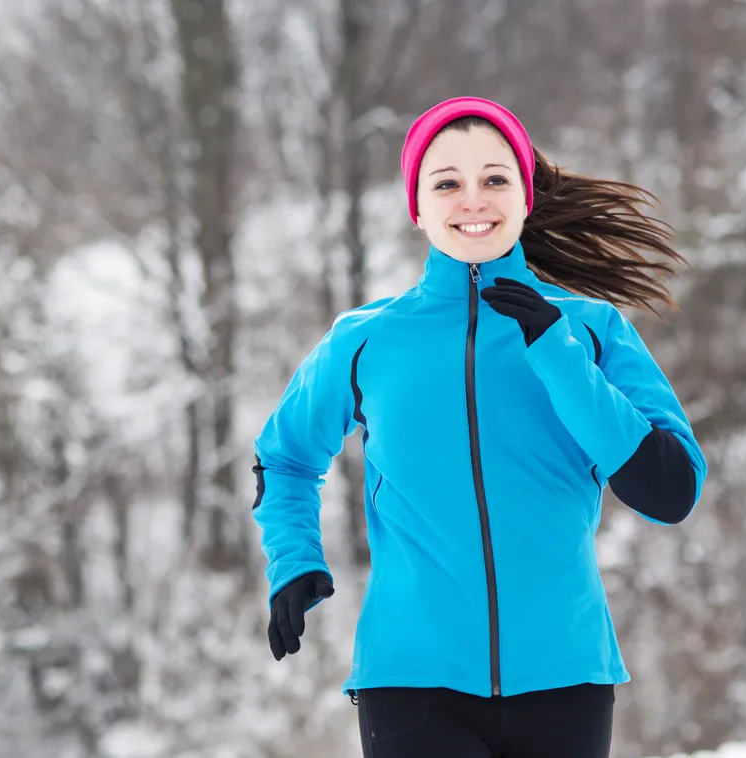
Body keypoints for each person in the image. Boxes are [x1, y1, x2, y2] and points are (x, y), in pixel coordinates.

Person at [249, 96, 707, 758]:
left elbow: (670, 490)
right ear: (415, 207)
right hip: (411, 681)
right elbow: (284, 458)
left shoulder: (590, 330)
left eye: (494, 178)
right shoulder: (366, 340)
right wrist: (293, 560)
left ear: (524, 196)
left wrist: (555, 352)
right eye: (446, 183)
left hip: (564, 676)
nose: (473, 199)